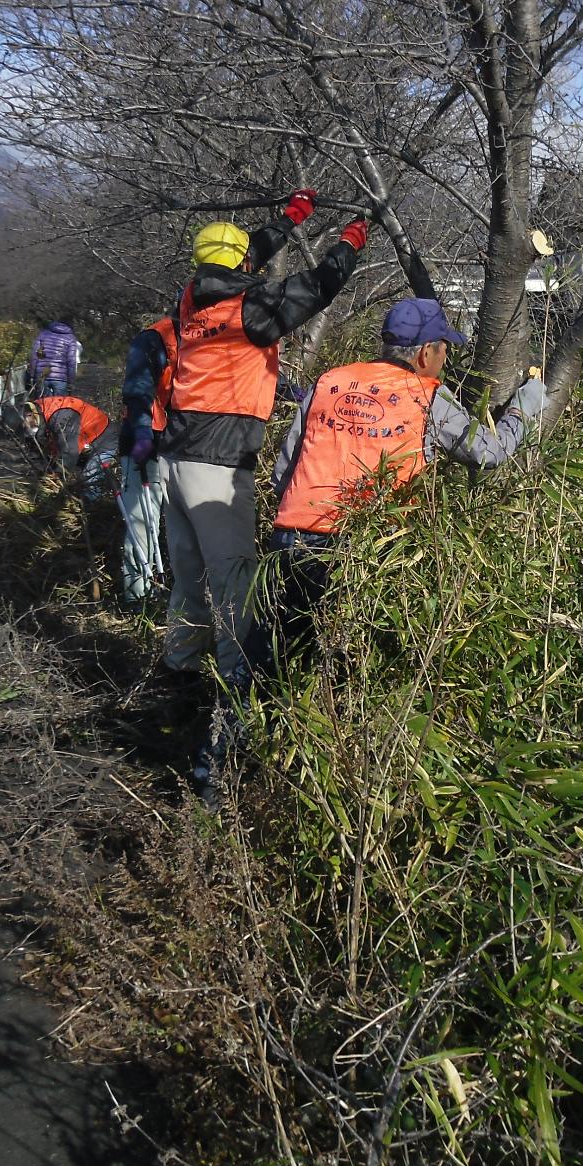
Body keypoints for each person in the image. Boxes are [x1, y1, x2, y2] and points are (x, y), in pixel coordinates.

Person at [160, 188, 366, 798]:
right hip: (217, 464)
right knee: (233, 582)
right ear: (244, 267)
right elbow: (319, 285)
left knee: (189, 579)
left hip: (176, 458)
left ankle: (177, 677)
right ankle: (231, 690)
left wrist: (293, 216)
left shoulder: (193, 297)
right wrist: (353, 236)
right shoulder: (250, 310)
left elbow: (248, 254)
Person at [262, 296, 544, 663]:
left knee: (283, 654)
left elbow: (283, 472)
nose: (444, 363)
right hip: (361, 550)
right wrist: (527, 404)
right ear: (426, 353)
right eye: (444, 351)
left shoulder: (331, 381)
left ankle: (263, 716)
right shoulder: (425, 396)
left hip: (289, 537)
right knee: (342, 663)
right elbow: (489, 452)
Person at [118, 312, 179, 606]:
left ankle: (179, 592)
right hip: (146, 443)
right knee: (142, 523)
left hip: (185, 446)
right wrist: (142, 432)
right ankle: (137, 597)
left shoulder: (212, 335)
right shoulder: (156, 339)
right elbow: (138, 389)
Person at [24, 392, 111, 481]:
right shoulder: (35, 413)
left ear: (29, 414)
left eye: (25, 425)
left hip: (103, 438)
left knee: (89, 481)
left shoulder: (61, 417)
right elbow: (38, 448)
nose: (24, 426)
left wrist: (57, 476)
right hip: (83, 443)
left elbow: (69, 450)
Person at [28, 320, 82, 396]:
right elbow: (71, 361)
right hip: (61, 378)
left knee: (42, 405)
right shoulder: (71, 338)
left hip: (42, 376)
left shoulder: (43, 334)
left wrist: (32, 375)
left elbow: (34, 356)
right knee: (58, 405)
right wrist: (71, 381)